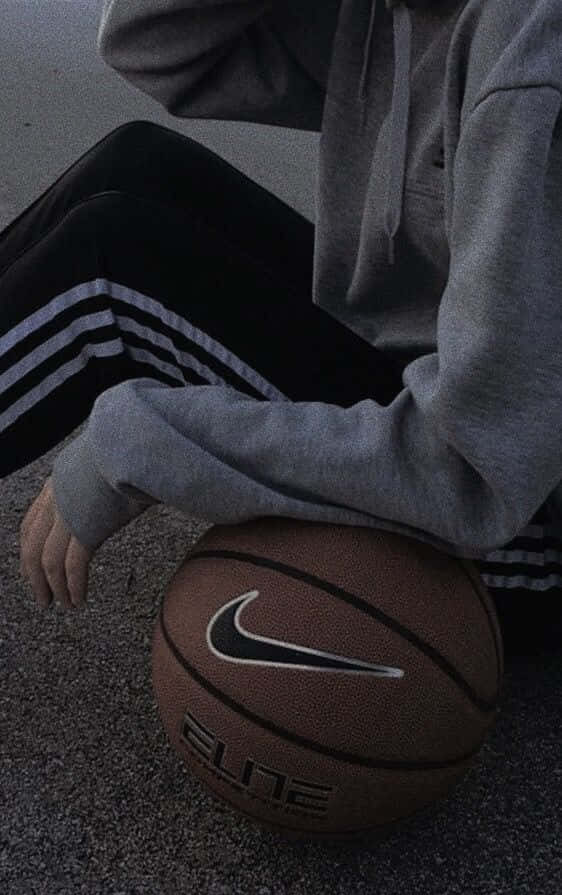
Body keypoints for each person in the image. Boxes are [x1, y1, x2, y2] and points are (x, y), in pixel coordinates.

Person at [2, 0, 561, 653]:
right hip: (430, 391)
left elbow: (475, 476)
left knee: (111, 272)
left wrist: (146, 441)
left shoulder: (529, 62)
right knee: (138, 163)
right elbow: (153, 46)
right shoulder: (399, 13)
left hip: (519, 522)